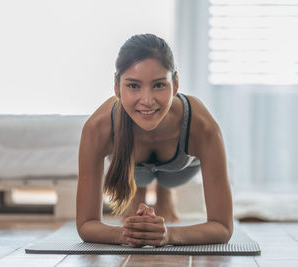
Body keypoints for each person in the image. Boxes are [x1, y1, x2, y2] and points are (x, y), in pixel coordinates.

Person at [76, 33, 233, 247]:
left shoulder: (203, 127)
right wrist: (130, 234)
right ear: (116, 87)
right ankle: (139, 194)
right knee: (138, 182)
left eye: (158, 85)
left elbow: (223, 227)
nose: (147, 101)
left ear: (175, 84)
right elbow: (86, 225)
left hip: (179, 170)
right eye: (133, 86)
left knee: (167, 179)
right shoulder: (97, 128)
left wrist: (168, 235)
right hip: (131, 168)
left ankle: (164, 192)